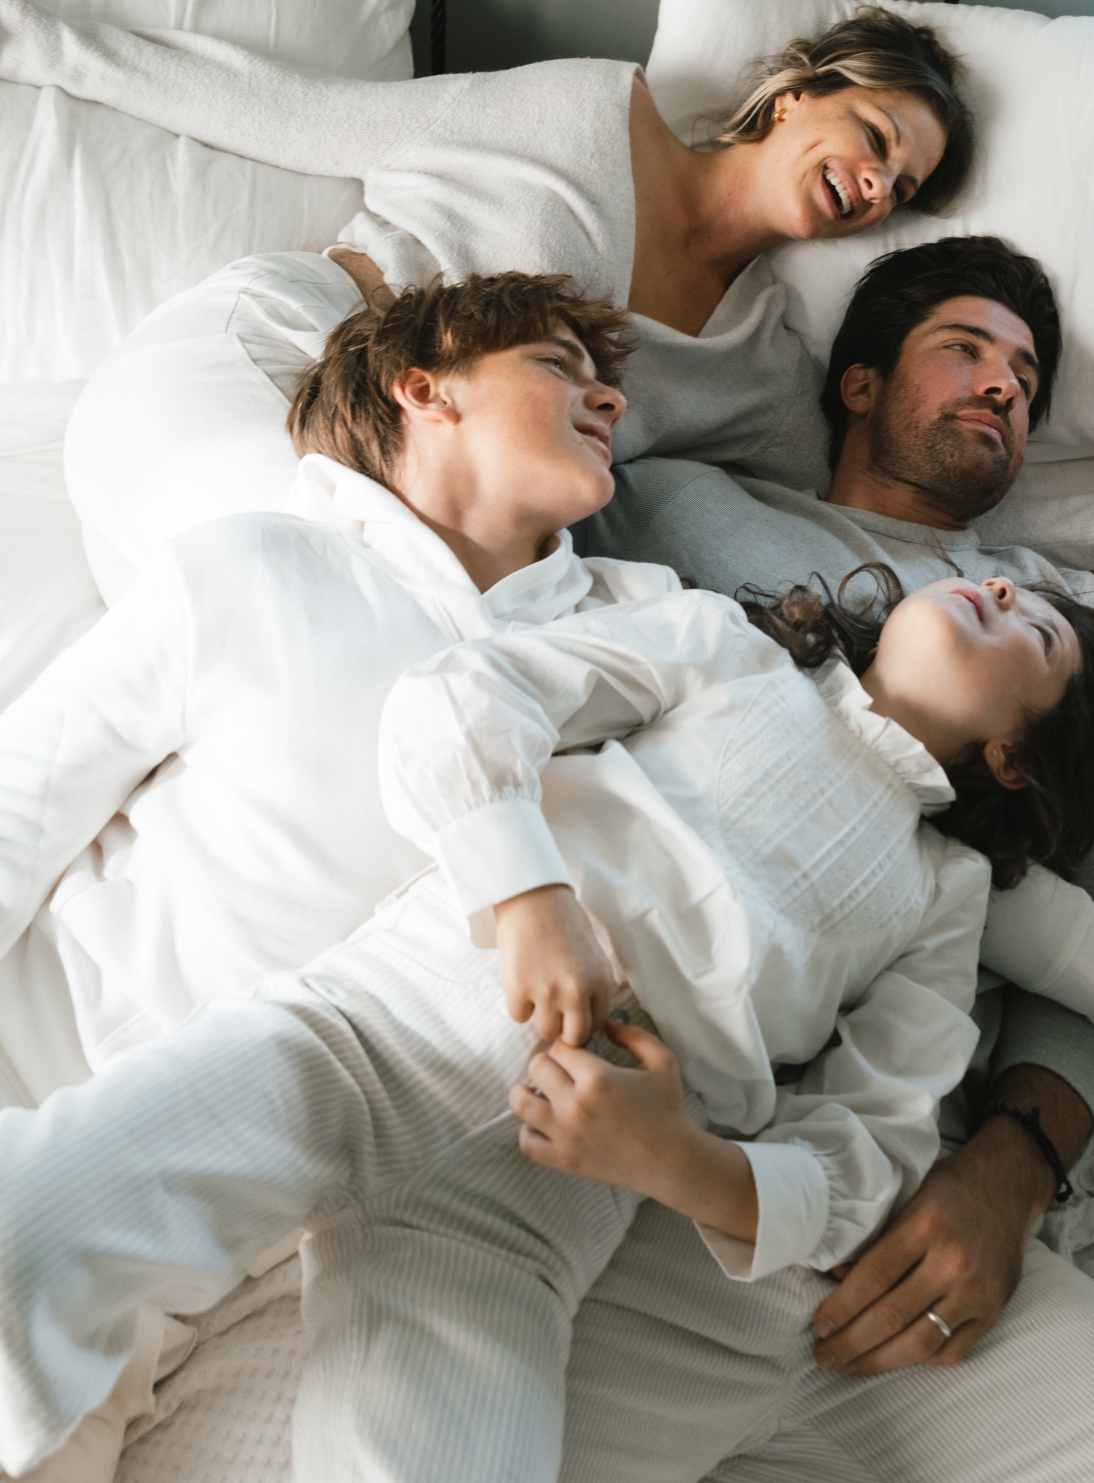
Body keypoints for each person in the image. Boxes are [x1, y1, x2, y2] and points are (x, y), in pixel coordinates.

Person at [0, 534, 1094, 1483]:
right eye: (994, 580)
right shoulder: (726, 651)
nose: (995, 584)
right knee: (39, 1219)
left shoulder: (944, 899)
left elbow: (871, 1152)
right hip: (370, 1039)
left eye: (1034, 627)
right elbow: (468, 697)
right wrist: (525, 893)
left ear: (1011, 756)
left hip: (523, 1223)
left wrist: (684, 1162)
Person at [580, 233, 1094, 1376]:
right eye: (964, 349)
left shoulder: (1063, 640)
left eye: (1023, 376)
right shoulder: (679, 508)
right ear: (857, 382)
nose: (1005, 383)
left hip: (852, 1172)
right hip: (576, 996)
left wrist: (1012, 1168)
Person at [0, 0, 974, 596]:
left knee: (357, 661)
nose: (882, 186)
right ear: (801, 91)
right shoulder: (592, 111)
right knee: (326, 605)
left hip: (386, 538)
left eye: (907, 190)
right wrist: (46, 46)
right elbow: (299, 114)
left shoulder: (762, 369)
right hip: (273, 367)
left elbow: (864, 497)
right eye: (879, 138)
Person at [0, 271, 663, 1105]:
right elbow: (23, 801)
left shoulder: (629, 637)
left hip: (289, 1158)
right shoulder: (254, 565)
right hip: (36, 1054)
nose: (609, 400)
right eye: (556, 365)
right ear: (427, 392)